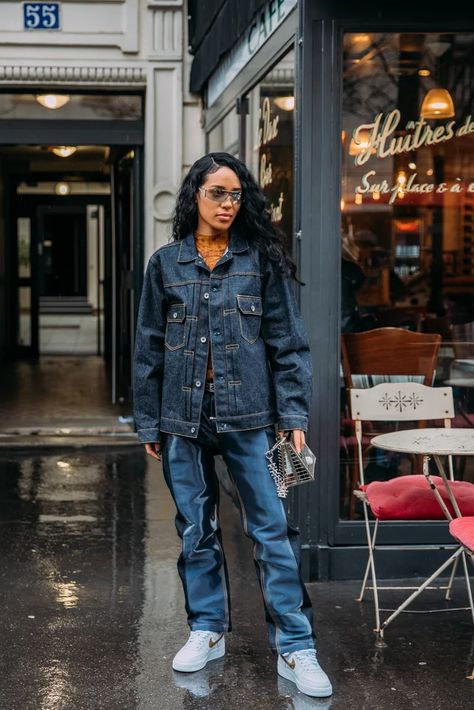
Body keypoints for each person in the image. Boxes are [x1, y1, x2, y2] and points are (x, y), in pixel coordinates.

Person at [133, 152, 332, 699]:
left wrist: (293, 417)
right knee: (196, 530)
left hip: (253, 419)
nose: (227, 203)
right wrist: (150, 418)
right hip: (183, 416)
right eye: (217, 192)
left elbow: (290, 346)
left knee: (271, 530)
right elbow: (148, 348)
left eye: (236, 194)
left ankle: (296, 644)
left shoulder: (259, 261)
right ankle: (207, 629)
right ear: (194, 194)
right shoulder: (166, 264)